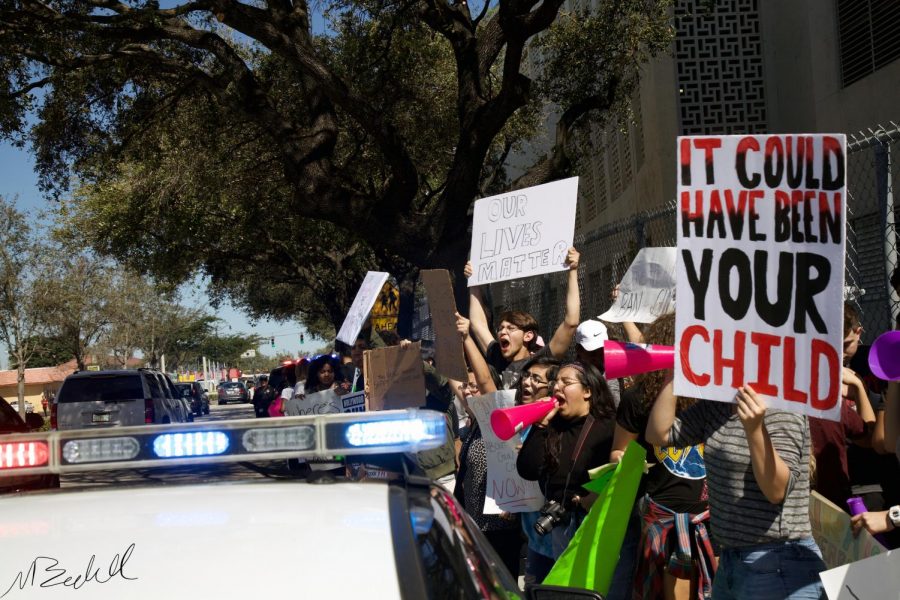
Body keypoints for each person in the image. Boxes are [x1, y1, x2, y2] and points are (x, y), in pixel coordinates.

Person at [646, 379, 826, 599]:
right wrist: (672, 376)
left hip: (779, 560)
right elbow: (659, 435)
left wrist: (755, 429)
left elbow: (776, 490)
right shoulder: (717, 405)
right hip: (733, 559)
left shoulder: (783, 408)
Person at [611, 312, 713, 600]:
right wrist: (624, 461)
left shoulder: (712, 396)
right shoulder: (638, 399)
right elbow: (618, 450)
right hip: (661, 514)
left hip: (709, 513)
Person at [517, 361, 616, 559]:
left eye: (566, 382)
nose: (556, 387)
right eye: (555, 382)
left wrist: (595, 497)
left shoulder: (609, 427)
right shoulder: (552, 425)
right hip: (560, 528)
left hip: (597, 525)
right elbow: (527, 470)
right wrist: (541, 425)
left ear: (587, 391)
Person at [465, 248, 581, 389]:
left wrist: (573, 270)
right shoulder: (497, 355)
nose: (502, 332)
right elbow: (477, 324)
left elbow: (571, 323)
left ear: (528, 336)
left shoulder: (540, 360)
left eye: (510, 328)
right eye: (501, 328)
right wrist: (474, 281)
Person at [808, 304, 876, 509]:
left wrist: (858, 387)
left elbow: (869, 435)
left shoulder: (870, 362)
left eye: (846, 344)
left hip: (865, 476)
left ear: (858, 332)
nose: (840, 353)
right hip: (834, 479)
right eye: (833, 345)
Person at [574, 319, 622, 408]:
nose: (598, 356)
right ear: (578, 349)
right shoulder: (570, 376)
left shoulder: (612, 373)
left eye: (601, 350)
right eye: (592, 352)